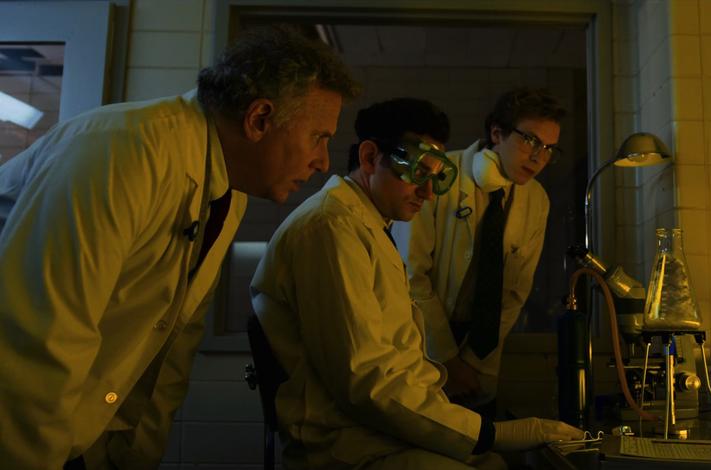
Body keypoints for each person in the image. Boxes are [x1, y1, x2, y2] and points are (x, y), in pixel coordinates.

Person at [0, 25, 359, 470]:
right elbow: (39, 342)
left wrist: (136, 452)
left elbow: (172, 339)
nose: (323, 162)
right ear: (260, 119)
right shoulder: (122, 154)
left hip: (83, 433)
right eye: (318, 137)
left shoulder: (226, 191)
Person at [250, 98, 581, 469]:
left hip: (381, 432)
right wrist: (490, 433)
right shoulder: (331, 229)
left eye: (435, 177)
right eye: (417, 173)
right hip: (348, 445)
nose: (427, 192)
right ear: (371, 157)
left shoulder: (369, 226)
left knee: (495, 465)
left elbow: (396, 360)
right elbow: (367, 383)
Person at [399, 88, 565, 411]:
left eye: (549, 148)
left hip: (478, 351)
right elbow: (411, 275)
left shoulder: (536, 200)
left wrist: (473, 363)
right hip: (422, 338)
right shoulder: (441, 174)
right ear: (496, 133)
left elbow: (514, 294)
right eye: (530, 140)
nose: (538, 157)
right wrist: (447, 358)